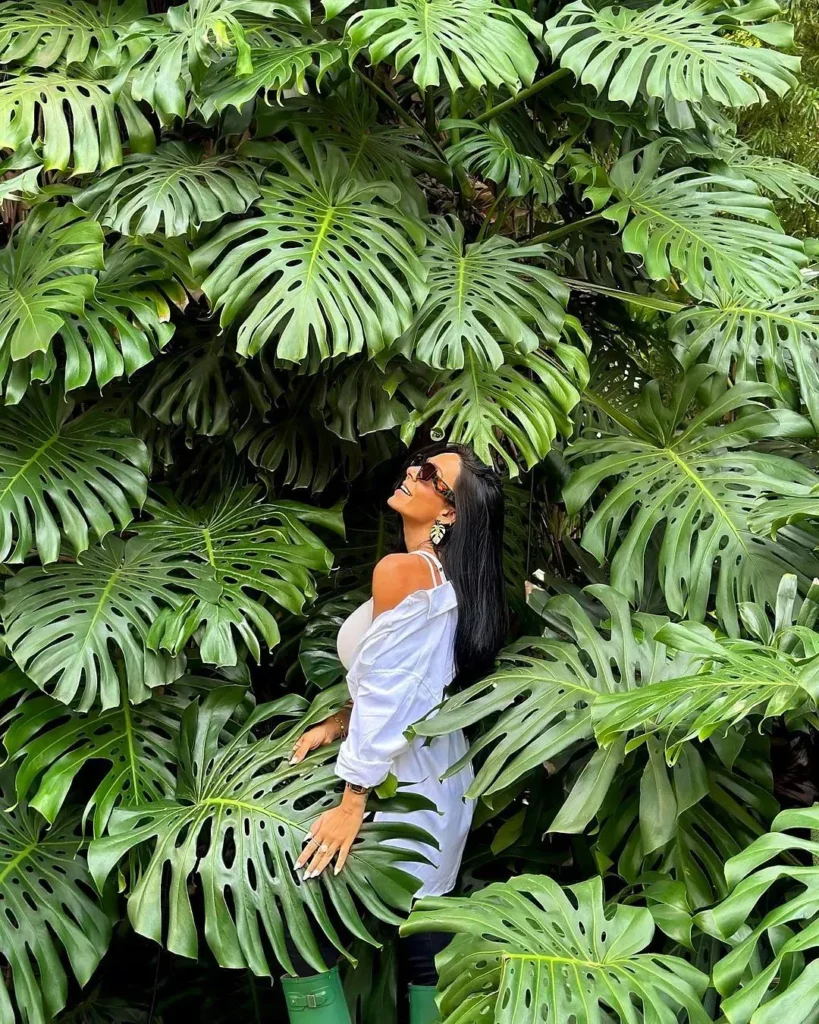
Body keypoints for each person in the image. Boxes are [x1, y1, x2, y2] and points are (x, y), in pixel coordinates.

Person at [281, 442, 507, 1023]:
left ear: (449, 513)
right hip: (436, 784)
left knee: (297, 929)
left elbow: (392, 694)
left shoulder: (403, 572)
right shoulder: (443, 582)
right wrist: (338, 722)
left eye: (430, 475)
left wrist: (352, 799)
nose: (412, 471)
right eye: (419, 463)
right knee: (424, 949)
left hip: (395, 791)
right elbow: (404, 686)